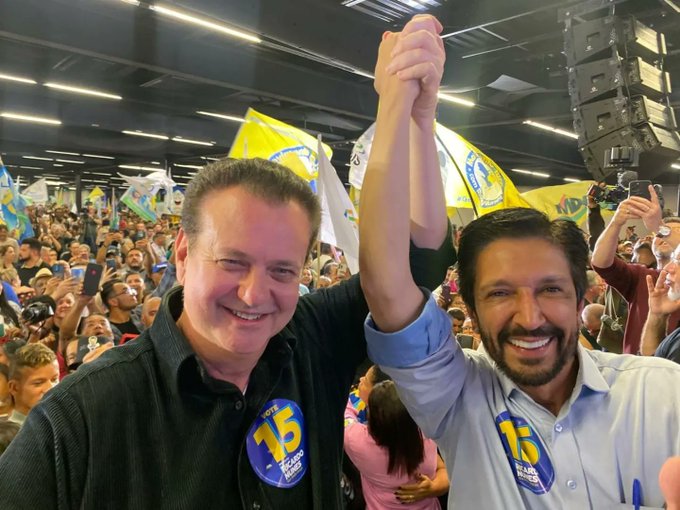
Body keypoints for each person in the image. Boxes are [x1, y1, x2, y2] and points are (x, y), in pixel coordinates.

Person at [0, 18, 452, 508]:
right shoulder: (76, 422)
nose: (255, 294)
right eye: (232, 262)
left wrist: (414, 116)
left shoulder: (311, 340)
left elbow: (418, 260)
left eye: (282, 270)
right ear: (183, 253)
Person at [359, 15, 680, 508]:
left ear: (581, 297)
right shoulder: (456, 398)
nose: (529, 317)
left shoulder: (660, 395)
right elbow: (386, 283)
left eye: (550, 289)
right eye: (500, 293)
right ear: (469, 306)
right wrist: (403, 107)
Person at [591, 197, 680, 353]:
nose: (663, 236)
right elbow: (601, 263)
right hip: (639, 363)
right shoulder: (642, 276)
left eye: (676, 231)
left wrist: (659, 227)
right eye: (658, 234)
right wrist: (616, 222)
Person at [344, 379, 447, 509]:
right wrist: (433, 488)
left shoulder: (356, 442)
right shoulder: (428, 438)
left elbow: (343, 413)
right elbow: (443, 470)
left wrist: (360, 394)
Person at [7, 344, 59, 426]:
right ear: (14, 388)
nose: (51, 388)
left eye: (54, 379)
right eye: (38, 383)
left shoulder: (62, 424)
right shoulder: (8, 432)